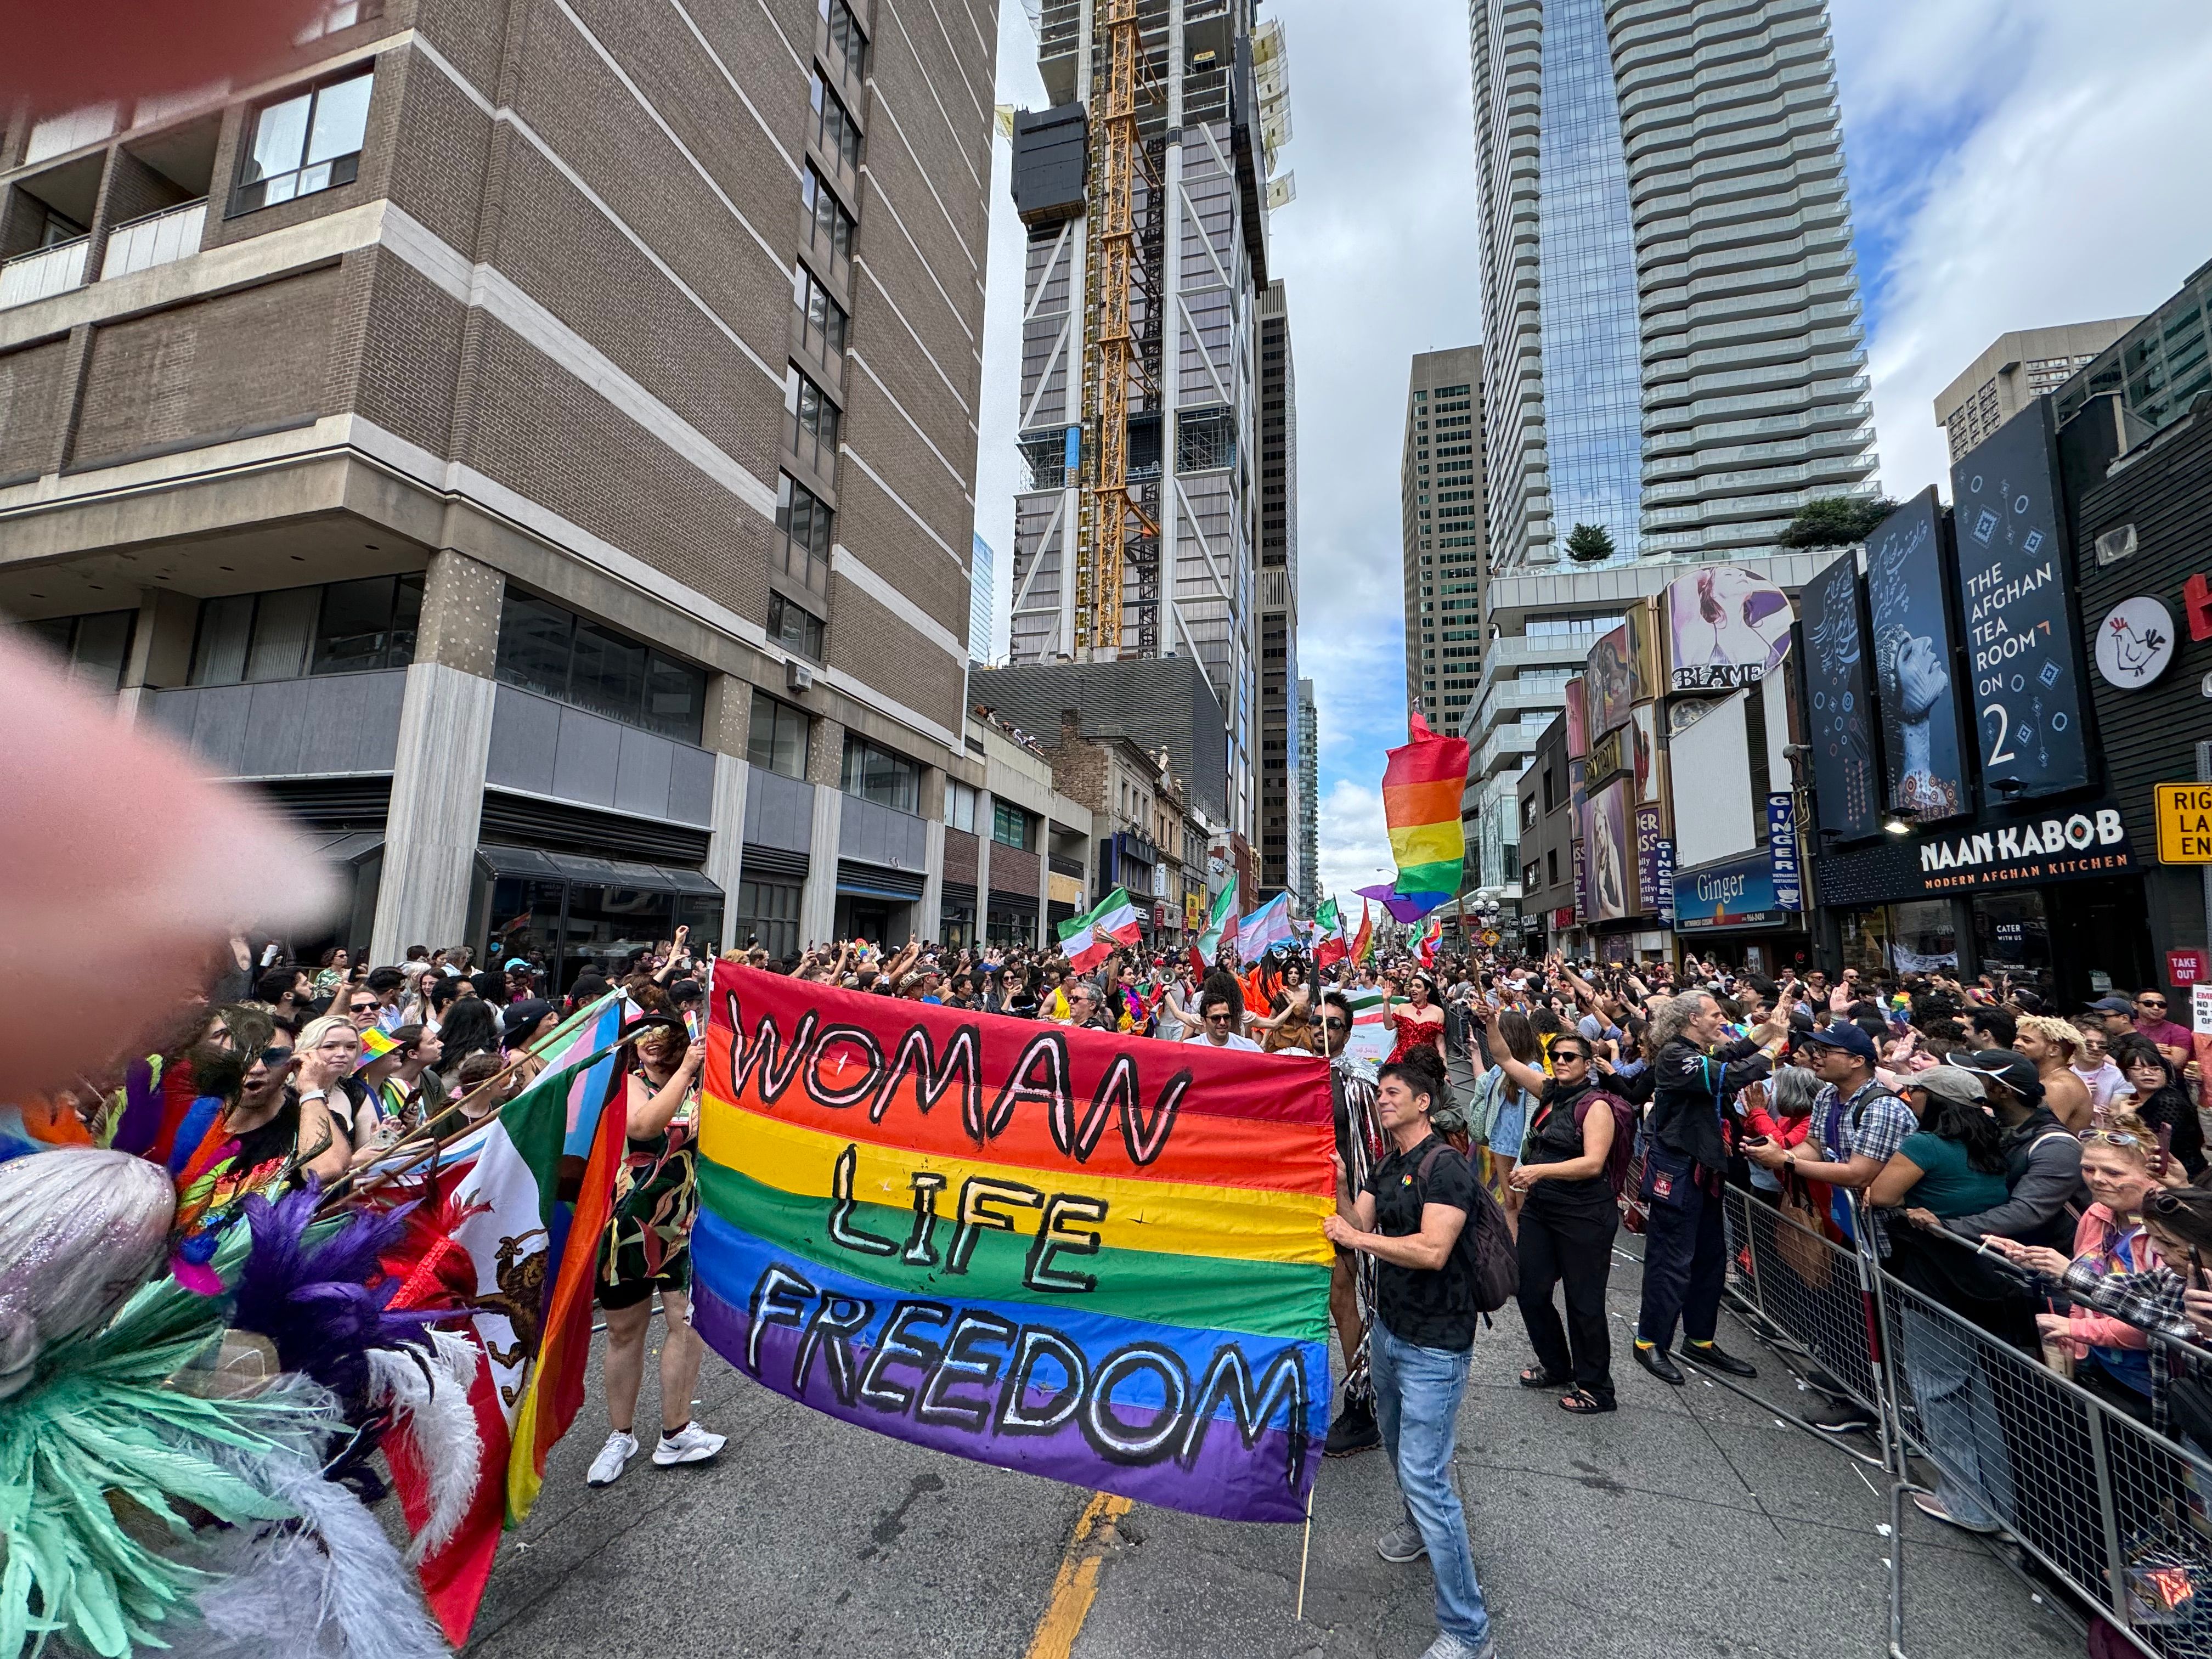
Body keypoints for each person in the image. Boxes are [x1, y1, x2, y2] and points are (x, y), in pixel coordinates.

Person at [1322, 1048, 1498, 1659]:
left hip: (1436, 1347)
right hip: (1391, 1337)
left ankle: (1469, 1631)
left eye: (1394, 1092)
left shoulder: (1445, 1165)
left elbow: (1430, 1250)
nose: (1383, 1099)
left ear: (1423, 1102)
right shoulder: (1386, 1163)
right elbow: (1355, 1226)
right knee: (1401, 1454)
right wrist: (1344, 1190)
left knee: (1426, 1476)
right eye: (1381, 1093)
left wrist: (1356, 1235)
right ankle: (1419, 1530)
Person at [586, 1020, 724, 1486]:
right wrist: (688, 1071)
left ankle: (677, 1431)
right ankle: (620, 1435)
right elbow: (644, 1126)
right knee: (624, 1333)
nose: (650, 1043)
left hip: (687, 1224)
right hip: (627, 1225)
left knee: (686, 1321)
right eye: (642, 1037)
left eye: (661, 1035)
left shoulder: (708, 1084)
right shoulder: (629, 1084)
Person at [1637, 991, 1783, 1384]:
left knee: (1709, 1261)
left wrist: (1770, 1028)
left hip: (1707, 1172)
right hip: (1678, 1173)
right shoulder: (1673, 1055)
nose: (1722, 1019)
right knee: (1671, 1262)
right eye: (1715, 1014)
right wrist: (1776, 1046)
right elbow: (1727, 1075)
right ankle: (1649, 1341)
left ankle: (1699, 1339)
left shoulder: (1699, 1051)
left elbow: (1733, 1054)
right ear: (1691, 1019)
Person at [1989, 1111, 2168, 1421]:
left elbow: (2160, 1324)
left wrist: (2077, 1329)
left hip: (2153, 1383)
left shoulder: (2166, 1235)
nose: (2097, 1179)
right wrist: (2041, 1264)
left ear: (2151, 1175)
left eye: (2113, 1173)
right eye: (2089, 1168)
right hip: (2099, 1368)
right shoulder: (2097, 1214)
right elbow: (2083, 1287)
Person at [1499, 1032, 1622, 1413]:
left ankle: (1597, 1388)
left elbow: (1593, 1163)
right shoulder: (1550, 1091)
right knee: (1530, 1288)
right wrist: (1488, 1022)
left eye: (1570, 1056)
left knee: (1584, 1302)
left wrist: (1538, 1172)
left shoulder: (1596, 1106)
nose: (1561, 1060)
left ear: (1589, 1064)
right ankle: (1556, 1365)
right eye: (1556, 1055)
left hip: (1585, 1214)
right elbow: (1505, 1057)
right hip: (1544, 1209)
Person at [1320, 991, 1383, 1458]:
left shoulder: (1358, 1085)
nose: (1325, 1031)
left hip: (1338, 1209)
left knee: (1343, 1302)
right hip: (1290, 1209)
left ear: (1349, 1031)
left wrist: (1358, 1219)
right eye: (1318, 1022)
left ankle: (1360, 1404)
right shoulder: (1290, 1072)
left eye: (1335, 1024)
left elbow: (1370, 1153)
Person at [2112, 1036, 2205, 1178]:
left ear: (2165, 1074)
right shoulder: (2136, 1100)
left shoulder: (2168, 1101)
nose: (2147, 1073)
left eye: (2155, 1069)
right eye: (2138, 1069)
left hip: (2181, 1176)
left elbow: (2154, 1148)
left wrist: (2126, 1119)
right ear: (2127, 1076)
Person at [2013, 1014, 2091, 1132]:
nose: (2016, 1043)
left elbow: (2038, 1132)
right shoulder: (2047, 1078)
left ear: (2054, 1051)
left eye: (2027, 1040)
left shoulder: (2059, 1086)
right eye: (2017, 1038)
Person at [1381, 975, 1447, 1068]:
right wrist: (1386, 1001)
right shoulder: (1402, 1008)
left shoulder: (1438, 1012)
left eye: (1418, 986)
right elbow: (1388, 1026)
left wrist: (1445, 1070)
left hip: (1426, 1063)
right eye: (1412, 986)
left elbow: (1440, 1044)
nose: (1413, 989)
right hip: (1401, 1061)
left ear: (1427, 991)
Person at [2070, 1020, 2131, 1116]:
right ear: (2074, 1044)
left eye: (2102, 1045)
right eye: (2088, 1044)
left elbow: (2115, 1115)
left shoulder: (2119, 1076)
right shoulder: (2061, 1073)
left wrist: (2112, 1113)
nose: (2096, 1049)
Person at [2130, 989, 2196, 1070]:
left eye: (2162, 1005)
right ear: (2135, 1005)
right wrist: (2152, 1048)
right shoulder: (2127, 1026)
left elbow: (2175, 1063)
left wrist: (2140, 1051)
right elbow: (2119, 1056)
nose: (2156, 1008)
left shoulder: (2179, 1031)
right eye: (2149, 1004)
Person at [1184, 986, 1261, 1052]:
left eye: (1226, 1017)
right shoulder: (1190, 1048)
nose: (1222, 1022)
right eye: (1215, 1018)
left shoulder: (1249, 1048)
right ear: (1204, 1021)